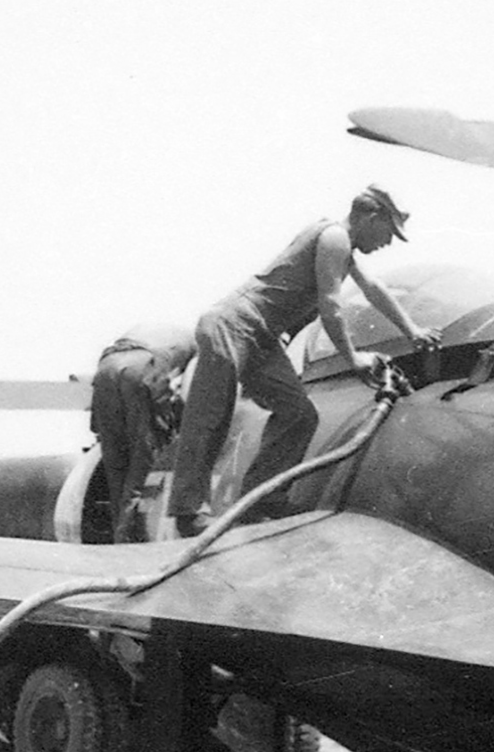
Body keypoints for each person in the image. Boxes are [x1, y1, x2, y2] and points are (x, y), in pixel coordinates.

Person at [161, 187, 419, 536]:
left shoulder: (342, 247)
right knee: (212, 416)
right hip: (234, 324)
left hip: (261, 335)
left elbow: (373, 289)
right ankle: (188, 511)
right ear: (372, 217)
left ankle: (258, 502)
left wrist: (412, 330)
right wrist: (352, 357)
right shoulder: (334, 238)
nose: (388, 242)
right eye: (389, 232)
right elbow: (330, 304)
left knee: (299, 415)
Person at [87, 322, 193, 542]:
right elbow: (190, 392)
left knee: (115, 467)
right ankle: (128, 538)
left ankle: (119, 534)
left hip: (106, 366)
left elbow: (98, 426)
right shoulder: (196, 345)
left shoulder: (157, 331)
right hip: (144, 366)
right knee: (142, 467)